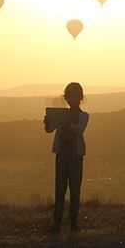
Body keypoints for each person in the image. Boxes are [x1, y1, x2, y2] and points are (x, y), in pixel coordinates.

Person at [43, 82, 90, 234]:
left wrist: (65, 122)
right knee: (60, 190)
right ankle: (57, 224)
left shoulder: (83, 115)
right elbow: (49, 130)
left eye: (74, 96)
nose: (72, 99)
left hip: (74, 156)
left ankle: (73, 223)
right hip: (62, 155)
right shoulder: (63, 115)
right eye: (70, 96)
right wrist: (48, 123)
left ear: (80, 98)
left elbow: (79, 130)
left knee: (75, 191)